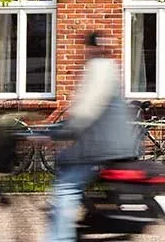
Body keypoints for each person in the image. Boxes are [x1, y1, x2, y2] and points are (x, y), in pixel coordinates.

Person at [45, 31, 138, 242]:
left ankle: (58, 238)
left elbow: (85, 112)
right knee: (67, 167)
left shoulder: (99, 68)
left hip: (101, 147)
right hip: (110, 144)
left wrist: (58, 133)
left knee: (66, 188)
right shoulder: (110, 67)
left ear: (90, 48)